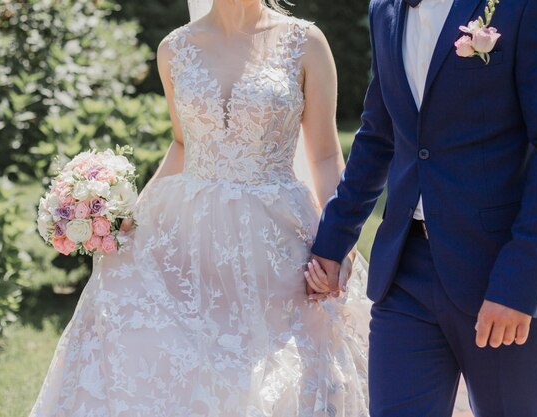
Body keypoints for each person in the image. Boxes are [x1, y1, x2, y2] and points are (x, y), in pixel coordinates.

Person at [28, 1, 371, 416]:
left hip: (275, 242)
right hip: (187, 238)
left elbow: (324, 157)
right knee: (160, 349)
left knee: (273, 369)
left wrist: (341, 246)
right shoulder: (174, 48)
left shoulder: (306, 43)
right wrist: (122, 220)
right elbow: (183, 143)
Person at [309, 0, 537, 415]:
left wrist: (519, 284)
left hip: (496, 273)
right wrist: (333, 239)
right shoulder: (384, 10)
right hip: (405, 274)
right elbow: (379, 133)